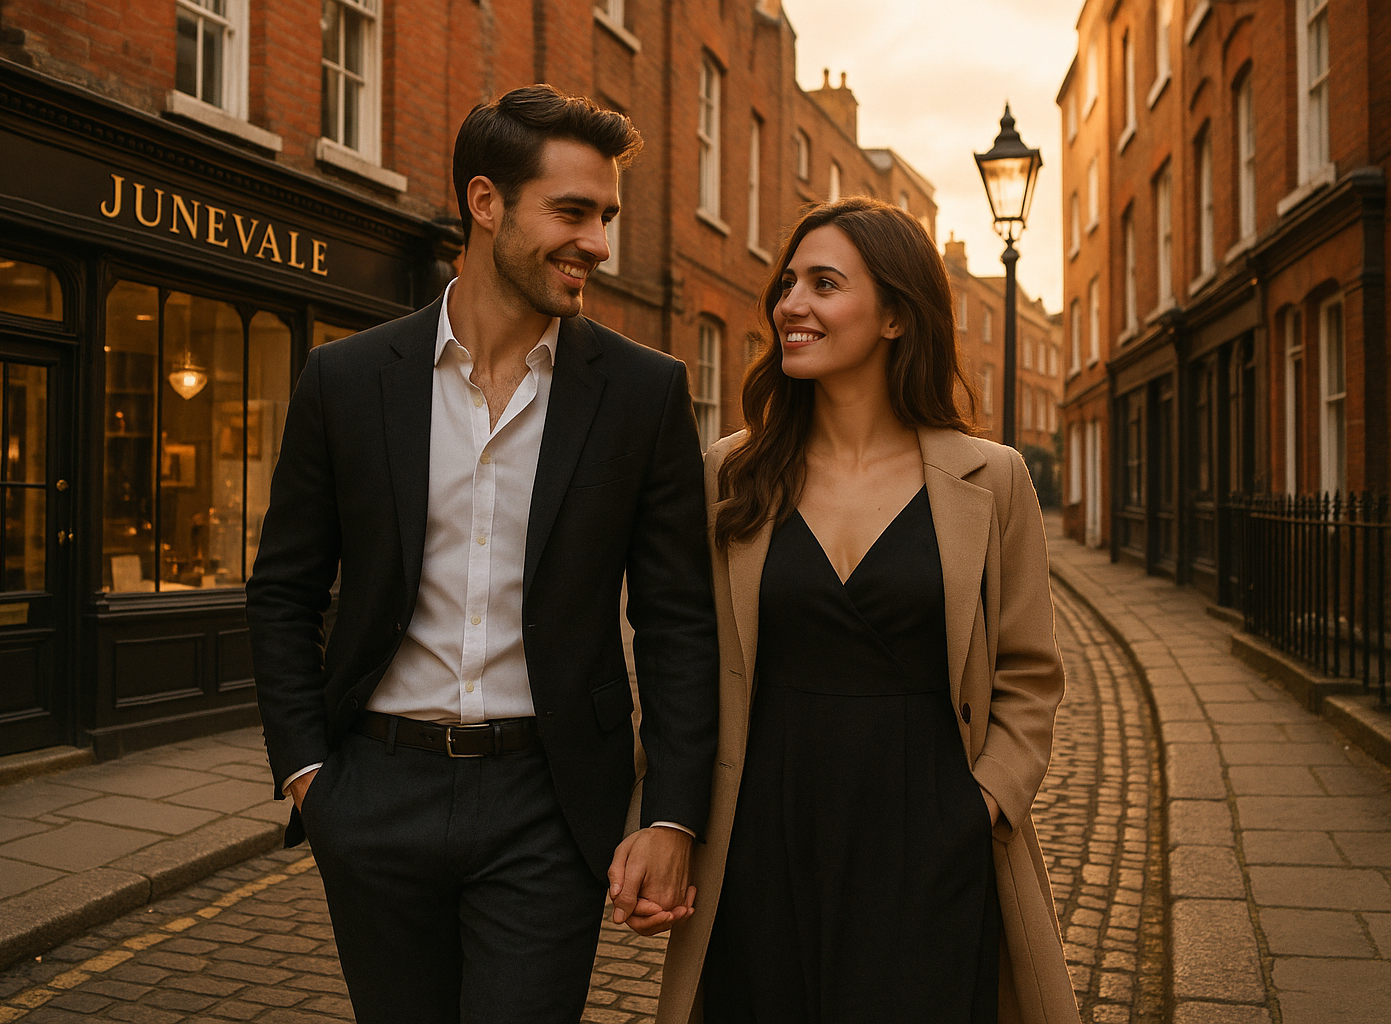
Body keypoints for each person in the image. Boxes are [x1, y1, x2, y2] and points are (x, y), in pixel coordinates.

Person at [247, 85, 719, 1024]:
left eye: (607, 217)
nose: (598, 242)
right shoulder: (346, 379)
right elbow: (283, 590)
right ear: (486, 202)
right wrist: (310, 777)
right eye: (572, 212)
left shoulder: (642, 393)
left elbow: (678, 620)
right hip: (376, 789)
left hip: (548, 803)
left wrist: (670, 815)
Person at [655, 197, 1080, 1024]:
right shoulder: (726, 475)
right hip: (763, 830)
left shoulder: (991, 481)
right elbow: (682, 659)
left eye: (824, 284)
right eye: (787, 285)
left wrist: (979, 804)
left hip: (931, 831)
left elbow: (1031, 674)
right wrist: (669, 818)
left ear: (894, 315)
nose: (791, 306)